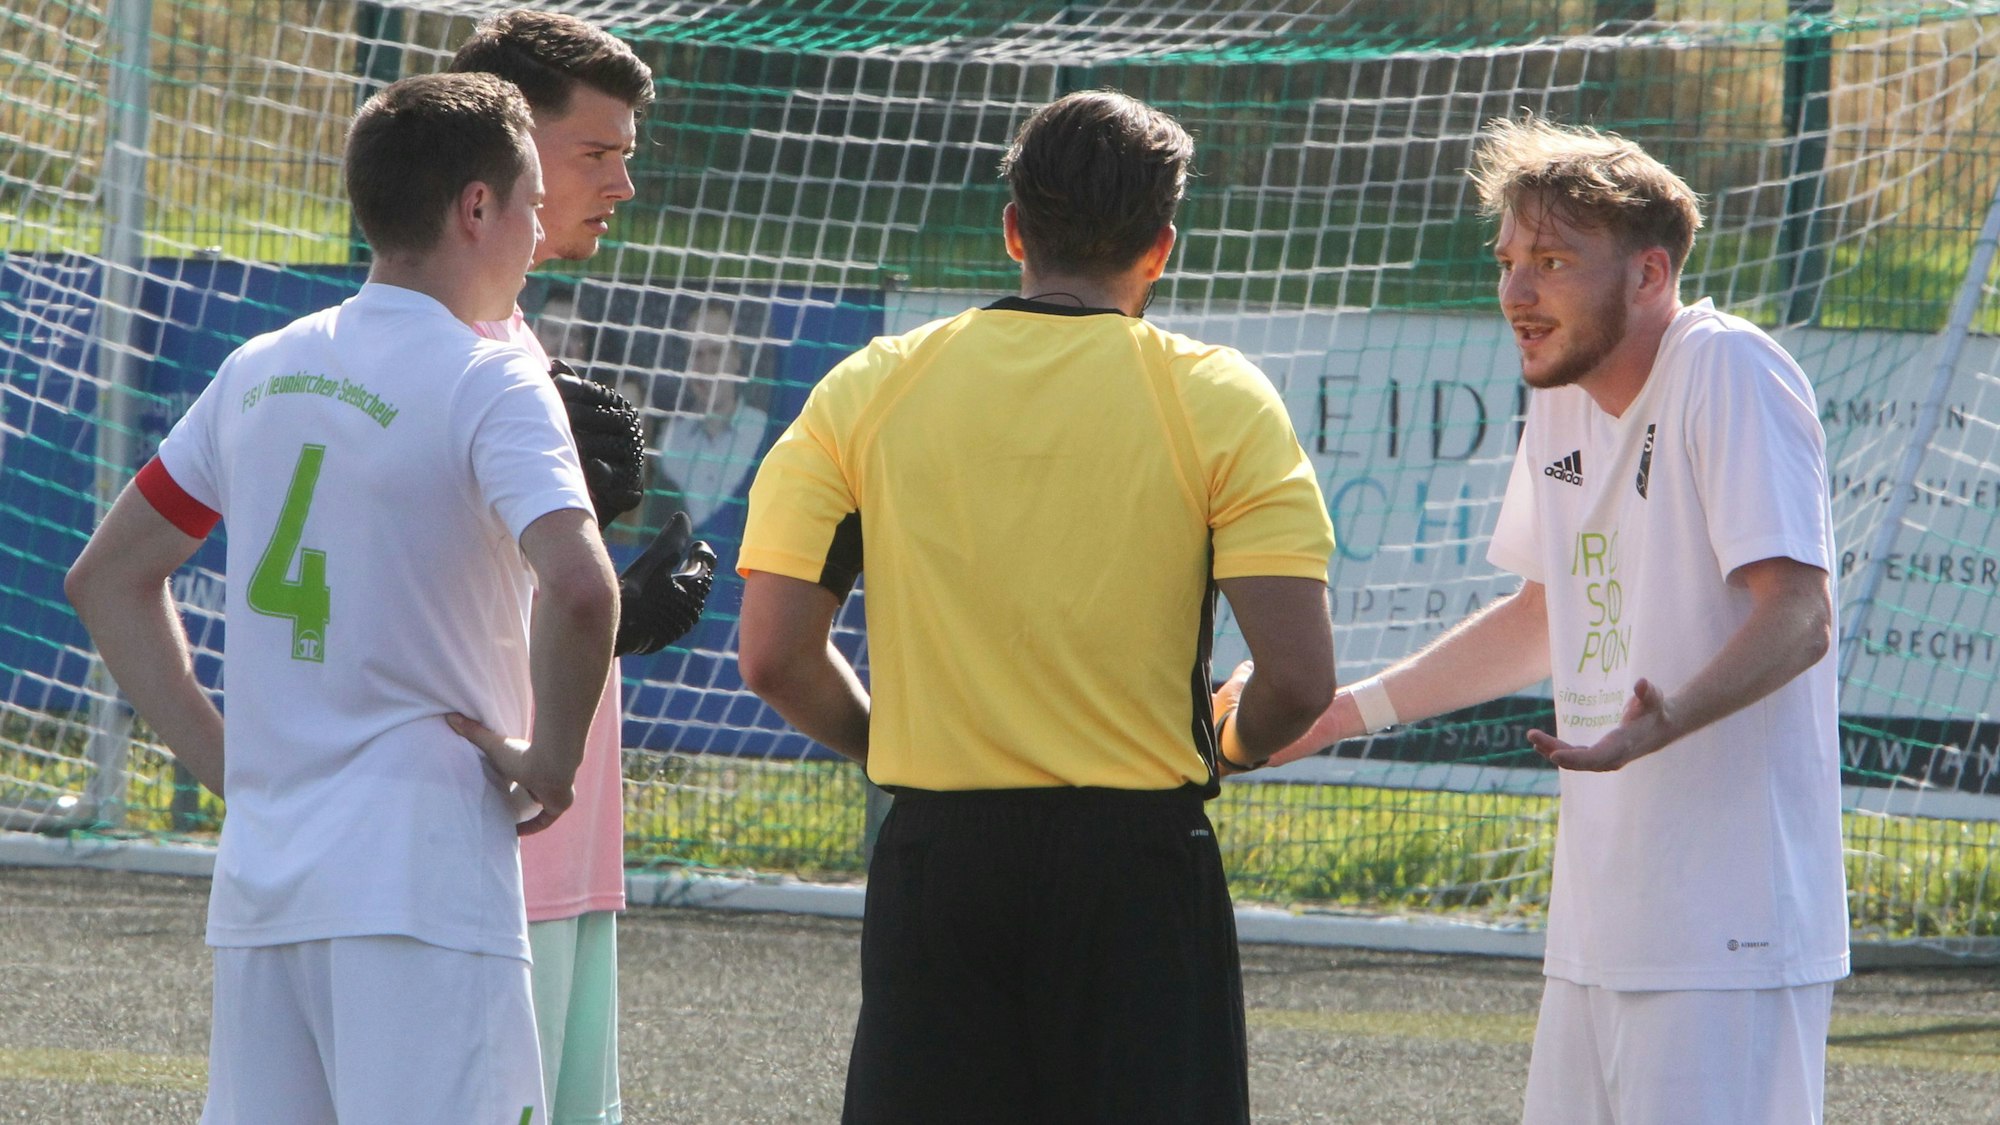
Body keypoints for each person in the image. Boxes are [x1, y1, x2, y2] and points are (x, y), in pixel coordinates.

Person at [735, 89, 1338, 1125]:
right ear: (1161, 247)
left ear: (1013, 229)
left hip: (939, 858)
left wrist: (899, 744)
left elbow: (772, 657)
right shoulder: (1220, 395)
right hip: (1137, 868)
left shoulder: (867, 385)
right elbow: (1299, 681)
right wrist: (1231, 744)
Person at [1266, 114, 1850, 1123]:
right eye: (1506, 263)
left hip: (1727, 935)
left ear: (1648, 274)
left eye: (1550, 263)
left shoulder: (1727, 368)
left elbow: (1800, 615)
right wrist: (1341, 713)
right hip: (1597, 930)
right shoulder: (1562, 395)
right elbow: (1542, 616)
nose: (1515, 294)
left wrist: (1665, 720)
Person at [64, 72, 618, 1122]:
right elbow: (582, 589)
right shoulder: (494, 377)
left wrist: (233, 768)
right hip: (423, 876)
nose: (537, 231)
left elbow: (106, 580)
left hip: (268, 880)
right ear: (476, 208)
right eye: (531, 203)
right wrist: (553, 765)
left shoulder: (259, 368)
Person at [449, 12, 715, 1124]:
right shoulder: (443, 361)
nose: (623, 183)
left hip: (563, 848)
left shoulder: (511, 346)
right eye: (596, 152)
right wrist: (592, 602)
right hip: (486, 848)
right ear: (501, 156)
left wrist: (611, 616)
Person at [652, 298, 771, 530]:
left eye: (716, 352)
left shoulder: (764, 431)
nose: (706, 367)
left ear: (737, 358)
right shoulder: (669, 440)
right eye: (697, 354)